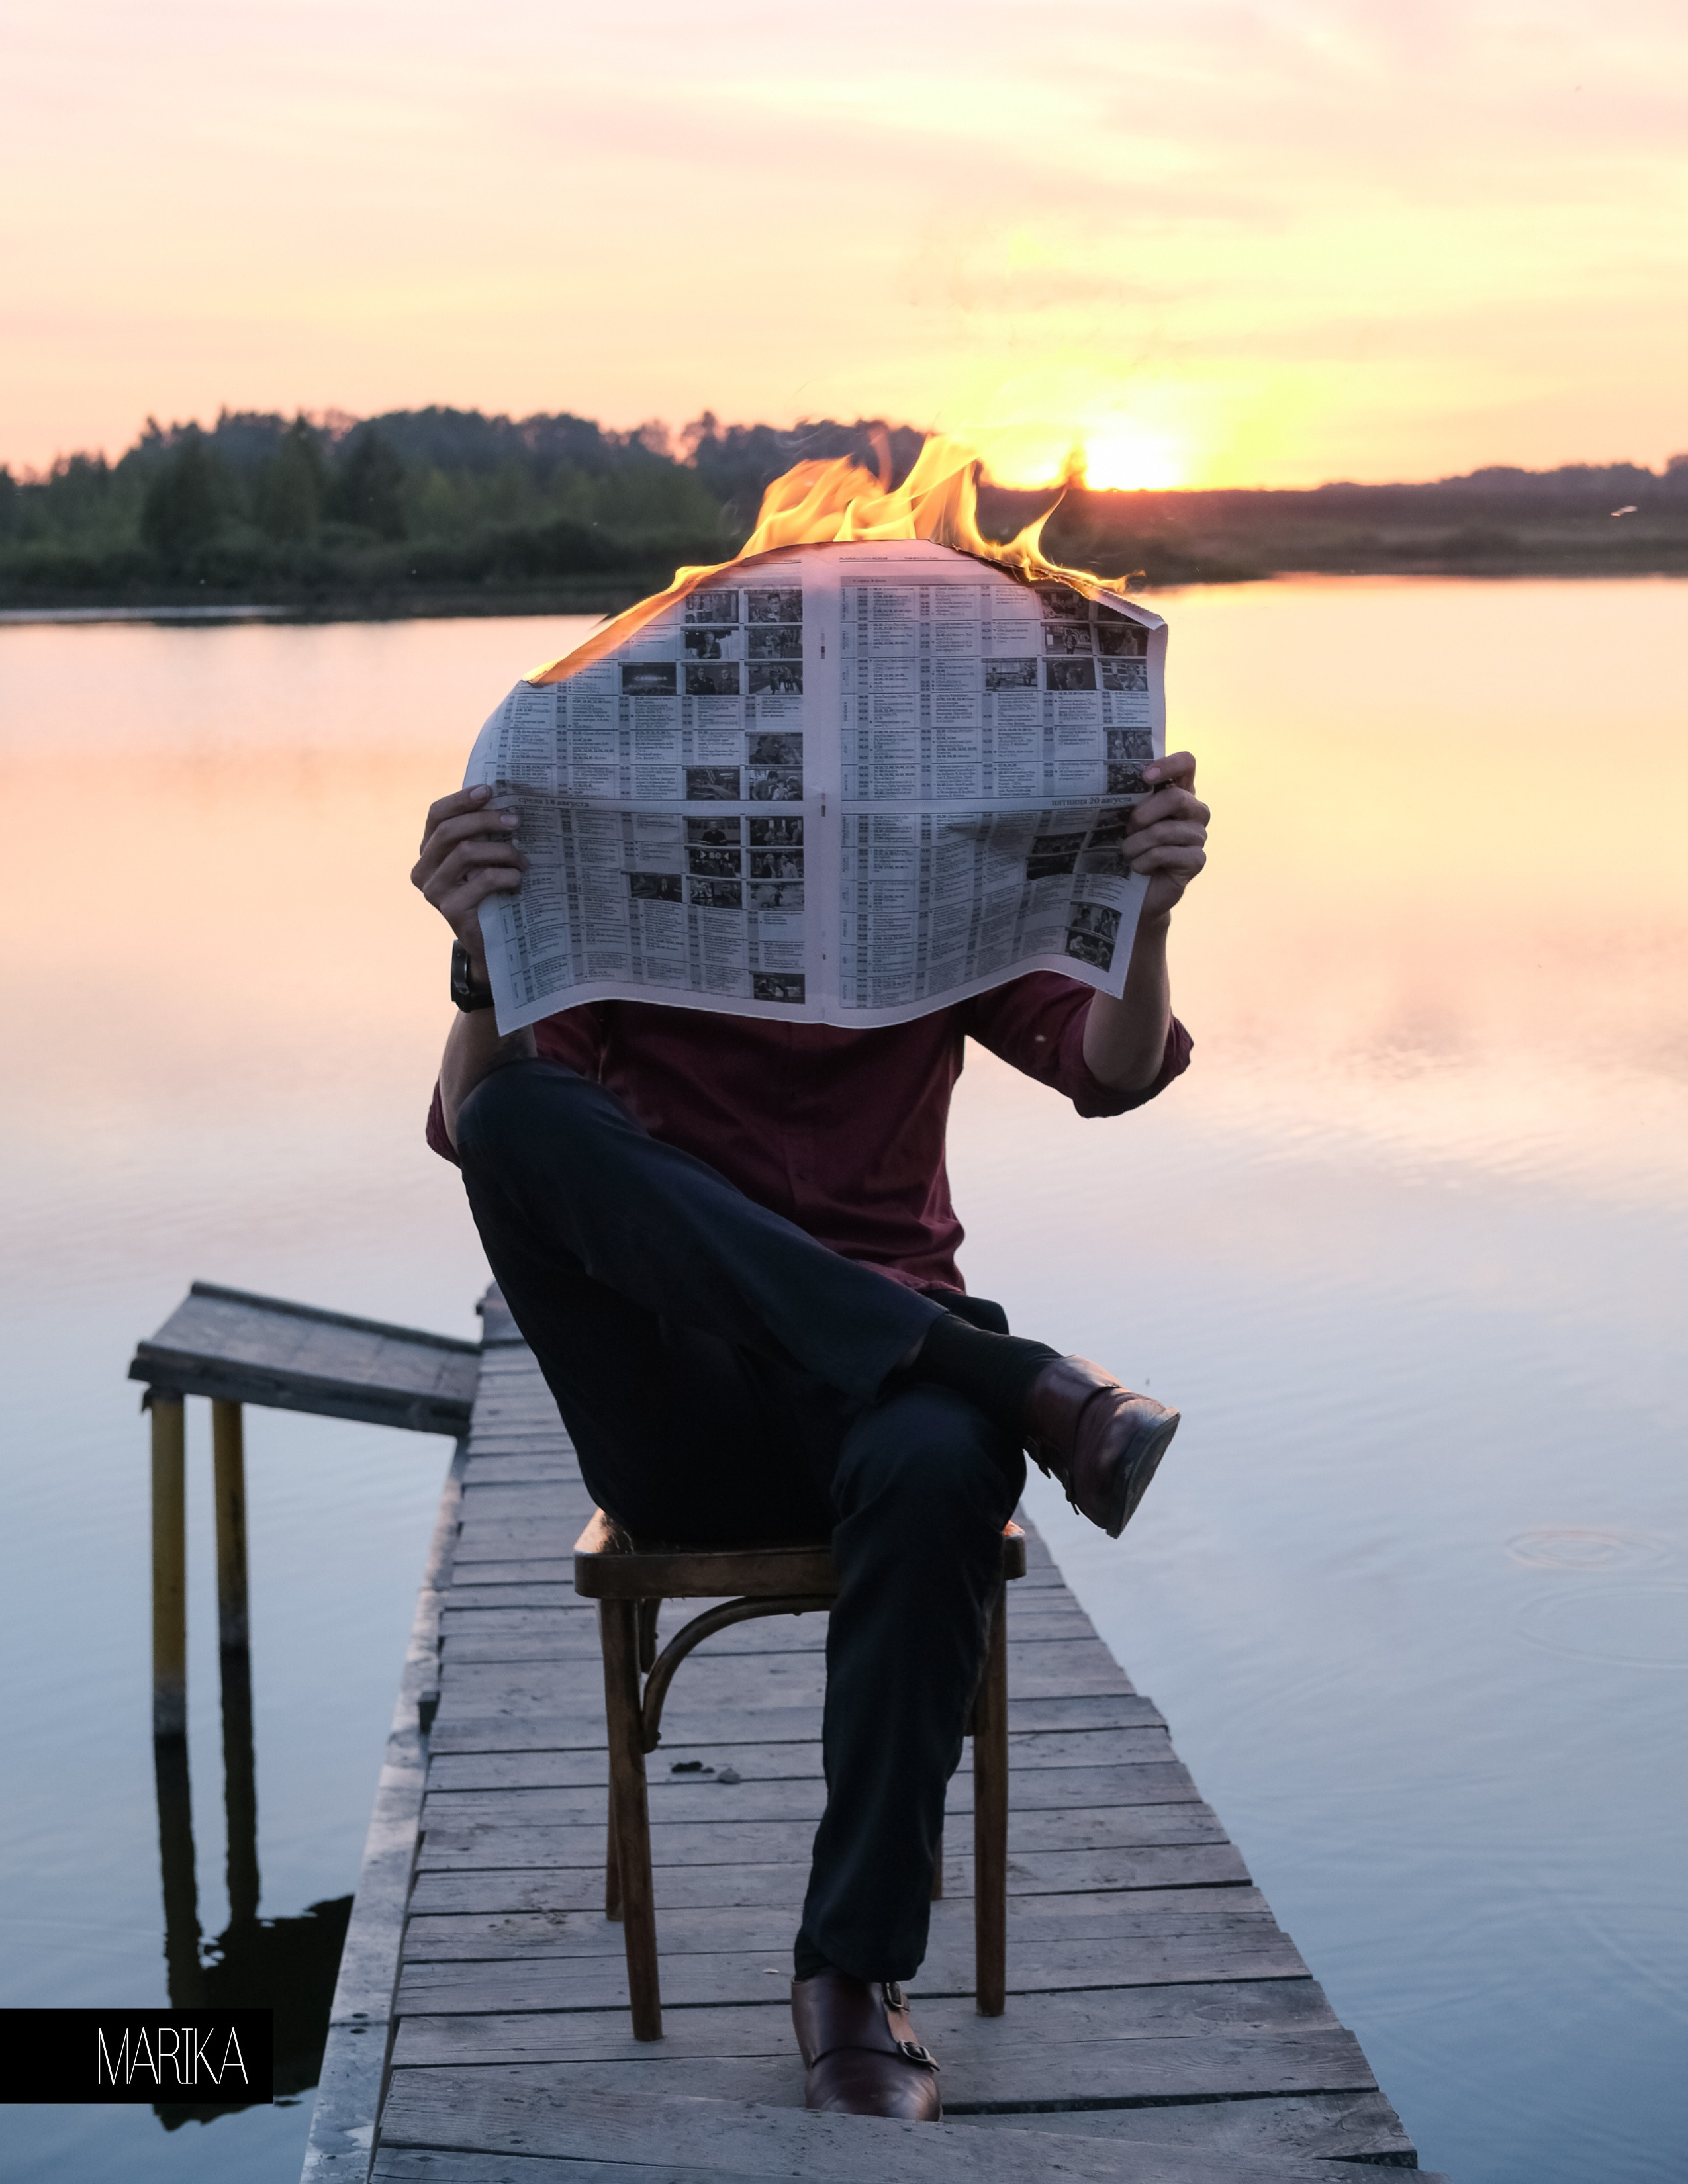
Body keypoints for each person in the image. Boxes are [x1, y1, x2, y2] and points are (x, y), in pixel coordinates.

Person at [412, 752, 1210, 2120]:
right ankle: (1007, 1374)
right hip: (686, 1402)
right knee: (517, 1113)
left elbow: (1113, 1070)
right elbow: (475, 1133)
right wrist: (485, 960)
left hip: (883, 1415)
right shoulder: (630, 898)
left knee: (943, 1460)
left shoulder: (928, 890)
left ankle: (850, 1975)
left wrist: (1150, 911)